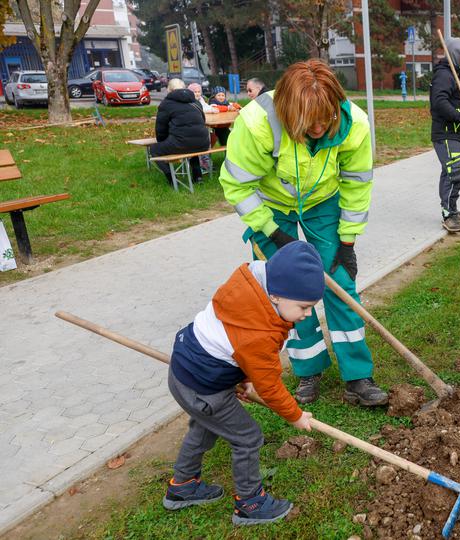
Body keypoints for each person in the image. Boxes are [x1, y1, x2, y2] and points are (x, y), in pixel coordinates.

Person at [218, 59, 387, 407]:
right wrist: (271, 232)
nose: (319, 128)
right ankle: (308, 368)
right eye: (309, 123)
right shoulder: (256, 123)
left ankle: (358, 376)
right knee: (285, 292)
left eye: (326, 120)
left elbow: (357, 184)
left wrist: (347, 241)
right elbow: (236, 184)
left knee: (340, 284)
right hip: (271, 207)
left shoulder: (355, 125)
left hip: (323, 202)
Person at [163, 241, 320, 525]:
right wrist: (295, 416)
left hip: (187, 373)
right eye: (304, 307)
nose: (307, 314)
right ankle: (250, 502)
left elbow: (237, 347)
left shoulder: (248, 290)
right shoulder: (258, 334)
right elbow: (270, 385)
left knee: (205, 426)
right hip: (204, 387)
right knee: (247, 437)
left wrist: (245, 379)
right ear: (275, 296)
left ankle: (182, 486)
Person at [429, 37, 460, 233]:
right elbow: (439, 103)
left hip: (455, 134)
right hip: (446, 134)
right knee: (453, 172)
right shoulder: (444, 75)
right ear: (456, 54)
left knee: (453, 172)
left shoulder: (455, 74)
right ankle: (448, 215)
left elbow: (456, 101)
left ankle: (453, 210)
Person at [150, 78, 209, 185]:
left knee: (154, 149)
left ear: (169, 90)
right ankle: (198, 177)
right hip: (203, 143)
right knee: (191, 143)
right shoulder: (195, 101)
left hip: (181, 143)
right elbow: (203, 121)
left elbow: (160, 129)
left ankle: (172, 179)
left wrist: (163, 141)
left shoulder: (166, 104)